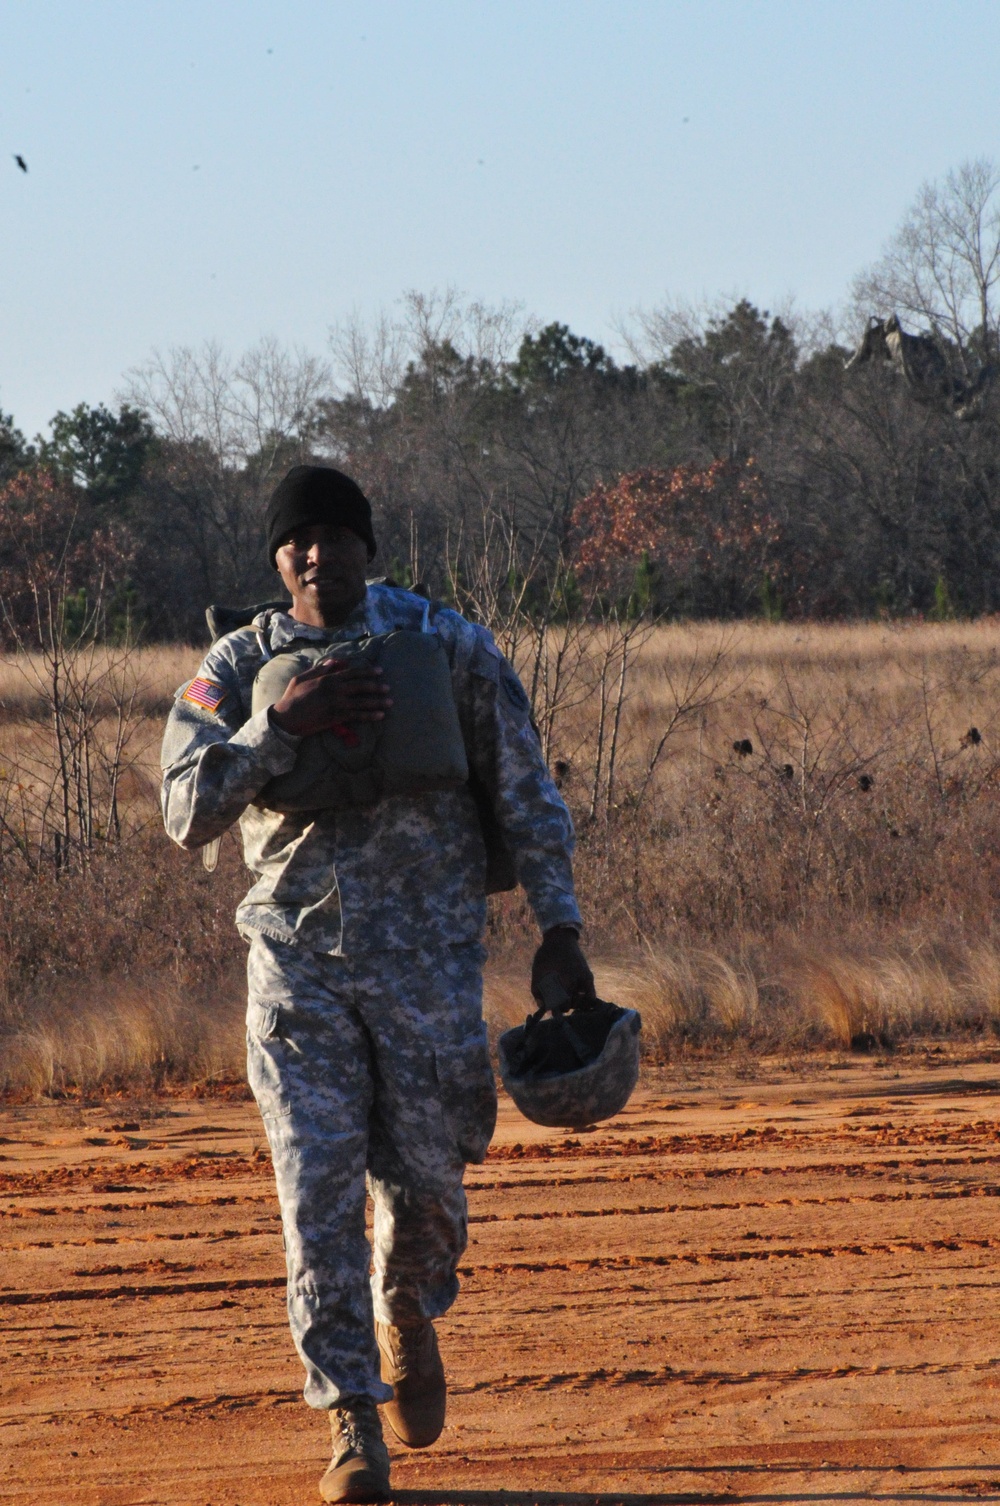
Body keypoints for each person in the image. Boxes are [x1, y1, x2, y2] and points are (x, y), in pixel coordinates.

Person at [160, 464, 594, 1503]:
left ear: (370, 547)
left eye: (335, 536)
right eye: (296, 540)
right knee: (314, 1189)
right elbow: (184, 812)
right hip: (297, 967)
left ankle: (411, 1313)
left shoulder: (448, 646)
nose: (317, 555)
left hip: (432, 965)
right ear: (277, 558)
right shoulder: (238, 664)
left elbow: (526, 790)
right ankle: (352, 1417)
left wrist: (559, 929)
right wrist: (280, 728)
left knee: (430, 1187)